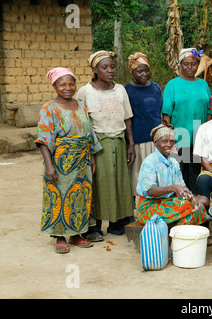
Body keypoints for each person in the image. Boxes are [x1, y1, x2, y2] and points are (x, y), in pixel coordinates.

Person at [36, 67, 103, 253]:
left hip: (82, 160)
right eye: (62, 84)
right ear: (54, 86)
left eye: (71, 83)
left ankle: (75, 234)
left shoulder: (80, 105)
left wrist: (91, 156)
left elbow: (89, 132)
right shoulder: (48, 109)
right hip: (61, 161)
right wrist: (49, 166)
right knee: (59, 195)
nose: (68, 87)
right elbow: (43, 140)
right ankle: (59, 235)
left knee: (80, 196)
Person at [76, 50, 135, 240]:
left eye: (112, 66)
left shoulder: (120, 90)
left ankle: (118, 224)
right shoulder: (85, 92)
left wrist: (130, 144)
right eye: (105, 67)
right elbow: (82, 123)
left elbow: (127, 119)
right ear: (95, 70)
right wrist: (89, 151)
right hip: (97, 143)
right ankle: (94, 226)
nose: (110, 70)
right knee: (98, 185)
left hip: (118, 141)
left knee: (119, 183)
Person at [136, 123, 208, 226]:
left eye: (172, 141)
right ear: (156, 143)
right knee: (190, 207)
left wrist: (191, 197)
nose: (169, 145)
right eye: (164, 141)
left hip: (168, 202)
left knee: (201, 201)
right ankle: (175, 231)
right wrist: (173, 188)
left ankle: (176, 229)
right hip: (150, 206)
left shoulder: (173, 162)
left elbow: (182, 187)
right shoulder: (150, 162)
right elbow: (150, 191)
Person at [161, 48, 212, 193]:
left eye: (193, 64)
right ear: (180, 65)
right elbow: (166, 113)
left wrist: (207, 132)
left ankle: (194, 205)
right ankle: (180, 206)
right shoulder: (173, 84)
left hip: (198, 138)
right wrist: (170, 139)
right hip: (179, 137)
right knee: (179, 172)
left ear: (198, 64)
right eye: (186, 64)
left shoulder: (203, 84)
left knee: (195, 173)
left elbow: (209, 110)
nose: (190, 68)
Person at [125, 52, 163, 201]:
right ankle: (138, 206)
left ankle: (154, 204)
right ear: (132, 72)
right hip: (138, 139)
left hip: (156, 139)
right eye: (139, 71)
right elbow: (127, 118)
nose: (144, 74)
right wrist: (131, 142)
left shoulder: (155, 87)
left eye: (146, 70)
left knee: (155, 174)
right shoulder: (127, 90)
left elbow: (158, 112)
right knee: (138, 174)